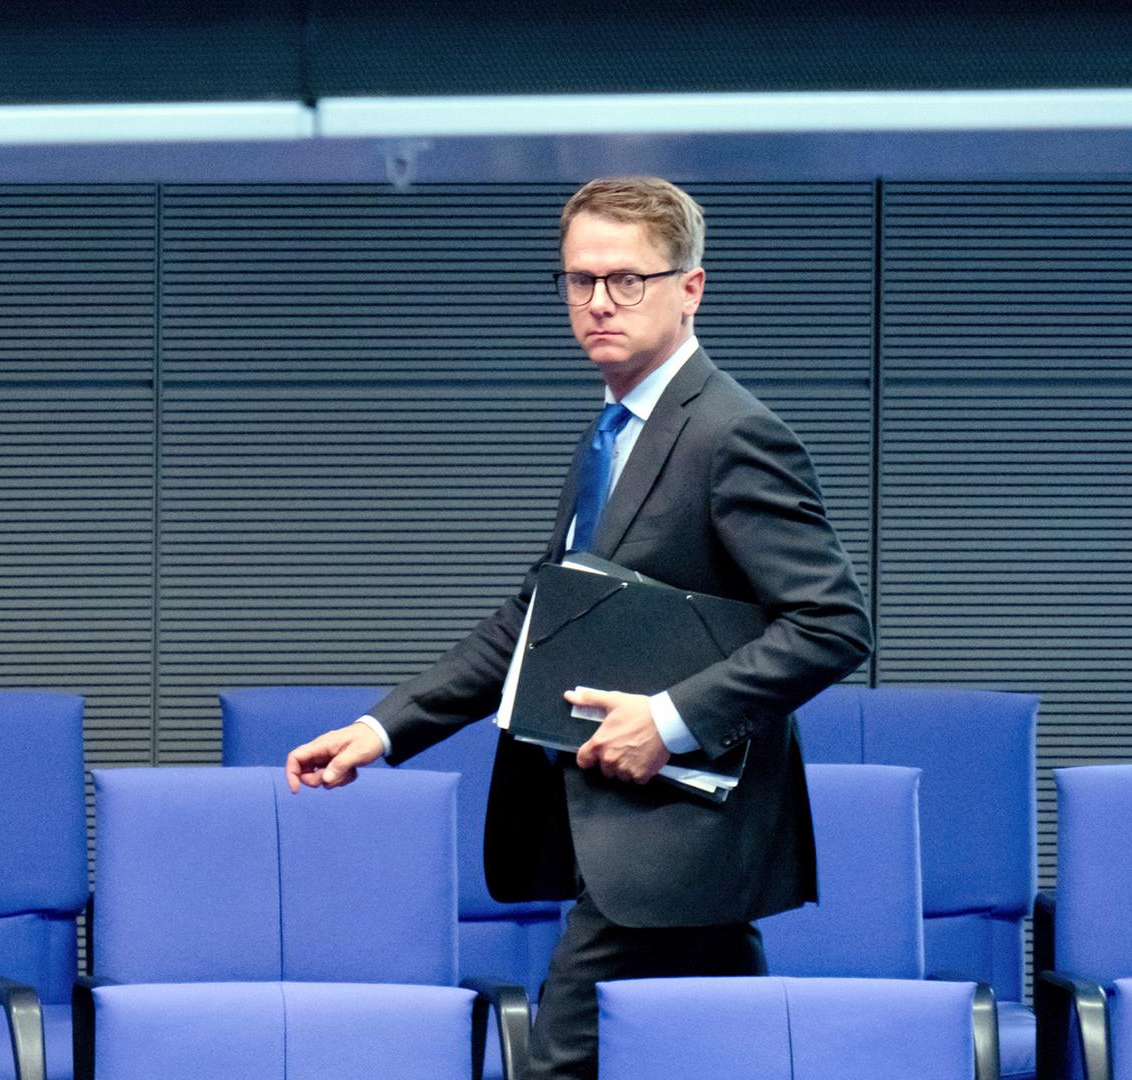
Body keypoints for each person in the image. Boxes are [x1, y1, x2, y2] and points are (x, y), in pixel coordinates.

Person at [284, 176, 872, 1079]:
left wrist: (668, 718)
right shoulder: (615, 430)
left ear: (691, 287)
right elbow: (537, 618)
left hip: (675, 833)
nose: (599, 302)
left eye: (628, 279)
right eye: (580, 280)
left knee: (558, 1061)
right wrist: (382, 728)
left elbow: (832, 623)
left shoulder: (732, 435)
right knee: (725, 1050)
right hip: (644, 846)